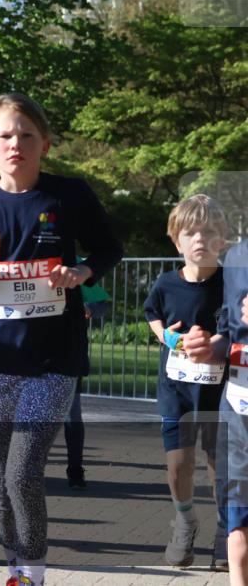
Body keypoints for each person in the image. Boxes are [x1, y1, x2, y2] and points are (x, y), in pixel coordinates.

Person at [0, 93, 123, 586]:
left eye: (26, 135)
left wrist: (81, 272)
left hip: (54, 359)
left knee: (22, 472)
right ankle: (15, 570)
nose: (15, 143)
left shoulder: (69, 195)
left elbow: (109, 248)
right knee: (0, 477)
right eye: (5, 136)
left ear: (45, 144)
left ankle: (34, 575)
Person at [144, 194, 228, 570]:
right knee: (178, 464)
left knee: (219, 465)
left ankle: (226, 530)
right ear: (176, 241)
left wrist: (214, 344)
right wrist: (166, 336)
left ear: (221, 240)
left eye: (208, 232)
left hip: (219, 393)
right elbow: (152, 314)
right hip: (175, 390)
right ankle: (184, 521)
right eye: (190, 233)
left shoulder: (231, 284)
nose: (199, 239)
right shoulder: (166, 283)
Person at [184, 236, 248, 583]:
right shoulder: (238, 255)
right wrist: (208, 348)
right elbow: (229, 334)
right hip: (238, 415)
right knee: (239, 526)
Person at [61, 281, 110, 491]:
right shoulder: (28, 267)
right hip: (33, 354)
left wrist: (88, 308)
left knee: (72, 414)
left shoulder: (77, 269)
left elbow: (103, 304)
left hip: (70, 353)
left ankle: (75, 470)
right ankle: (29, 470)